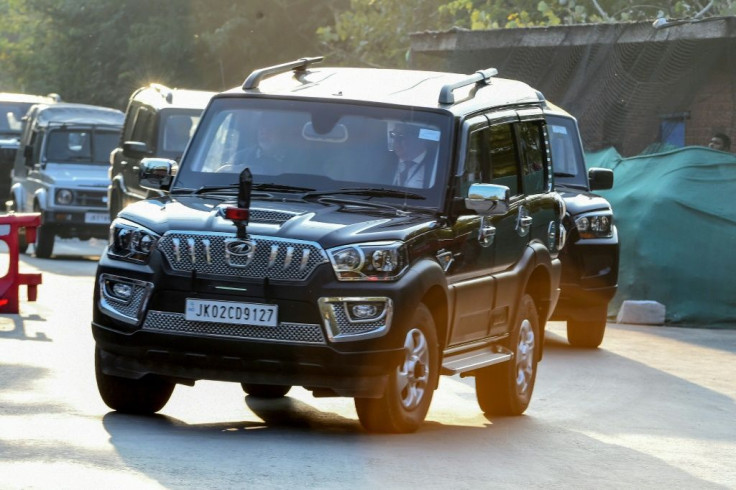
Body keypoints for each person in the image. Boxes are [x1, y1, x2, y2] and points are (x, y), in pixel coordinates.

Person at [390, 123, 436, 188]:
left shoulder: (436, 165)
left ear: (421, 139)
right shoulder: (384, 161)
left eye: (401, 136)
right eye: (393, 135)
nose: (395, 141)